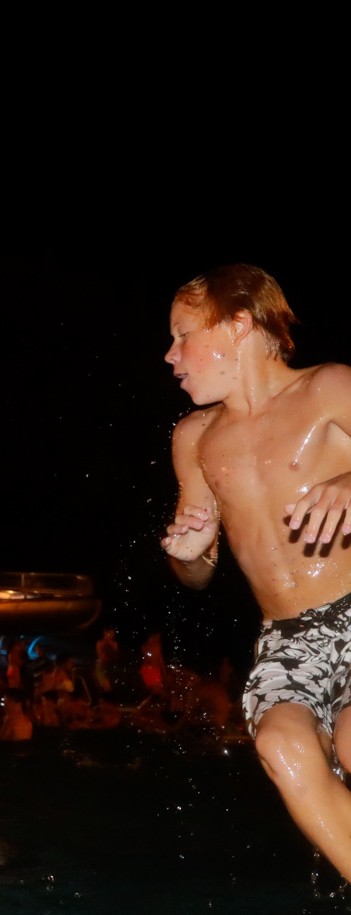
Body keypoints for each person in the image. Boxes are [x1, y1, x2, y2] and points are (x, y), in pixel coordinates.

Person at [158, 264, 351, 881]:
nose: (170, 355)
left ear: (238, 324)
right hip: (286, 639)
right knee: (279, 744)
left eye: (182, 334)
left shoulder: (329, 388)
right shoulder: (195, 438)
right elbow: (198, 576)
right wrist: (190, 555)